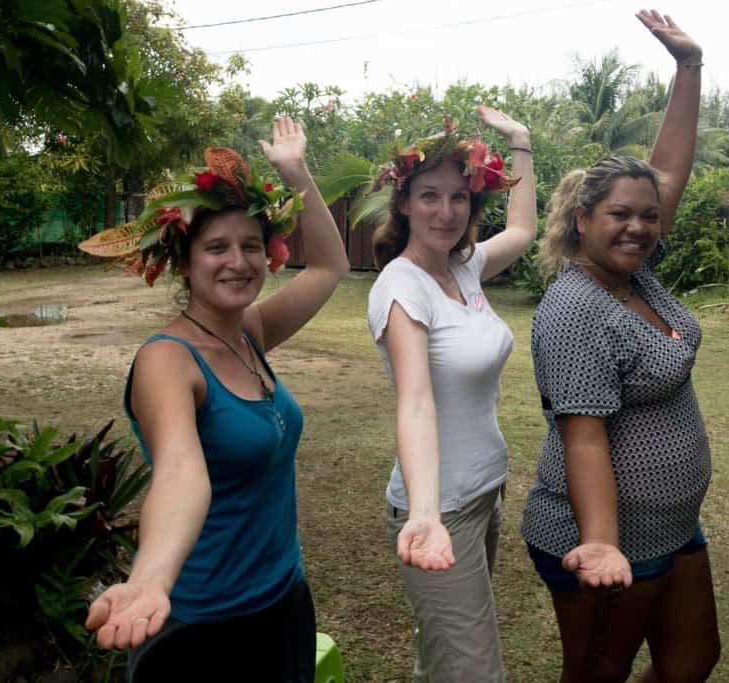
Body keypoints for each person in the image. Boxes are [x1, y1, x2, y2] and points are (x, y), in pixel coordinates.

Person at [81, 117, 350, 682]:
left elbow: (330, 265)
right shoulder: (168, 361)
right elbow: (181, 472)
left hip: (282, 600)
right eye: (217, 247)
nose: (239, 261)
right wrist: (152, 577)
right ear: (183, 260)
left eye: (252, 246)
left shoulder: (249, 330)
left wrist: (295, 172)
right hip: (202, 627)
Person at [520, 10, 720, 682]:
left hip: (671, 525)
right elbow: (583, 438)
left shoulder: (637, 277)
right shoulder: (577, 306)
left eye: (648, 216)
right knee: (598, 672)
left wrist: (687, 68)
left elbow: (666, 170)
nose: (638, 227)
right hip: (605, 537)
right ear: (583, 220)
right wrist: (602, 541)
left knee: (694, 659)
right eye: (619, 215)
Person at [365, 105, 536, 682]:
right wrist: (426, 514)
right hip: (440, 509)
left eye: (459, 197)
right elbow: (415, 402)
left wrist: (521, 143)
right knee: (474, 673)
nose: (445, 211)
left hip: (483, 493)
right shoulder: (401, 287)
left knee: (444, 660)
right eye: (430, 196)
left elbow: (523, 231)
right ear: (405, 202)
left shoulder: (462, 268)